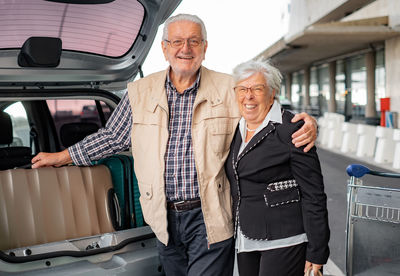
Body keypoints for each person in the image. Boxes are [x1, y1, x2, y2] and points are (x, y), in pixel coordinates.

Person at [31, 14, 318, 276]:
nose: (186, 48)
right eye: (177, 41)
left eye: (194, 41)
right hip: (162, 217)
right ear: (165, 48)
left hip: (211, 216)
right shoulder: (139, 92)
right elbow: (112, 137)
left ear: (205, 47)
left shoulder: (227, 87)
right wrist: (62, 156)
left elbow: (262, 109)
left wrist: (305, 123)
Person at [225, 59, 330, 276]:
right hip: (246, 237)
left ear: (272, 93)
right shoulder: (236, 127)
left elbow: (314, 194)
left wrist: (318, 250)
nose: (249, 96)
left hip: (284, 239)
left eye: (257, 89)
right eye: (243, 89)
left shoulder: (292, 129)